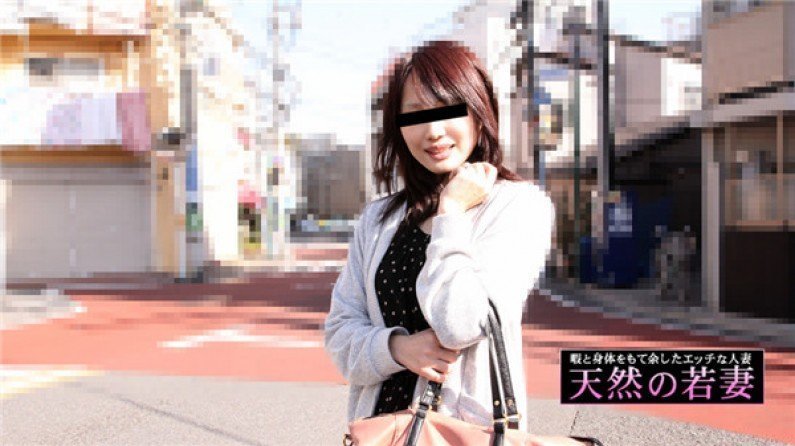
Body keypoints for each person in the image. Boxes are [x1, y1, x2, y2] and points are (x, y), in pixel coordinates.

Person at [325, 40, 594, 446]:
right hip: (380, 434)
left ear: (478, 112)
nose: (434, 131)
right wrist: (396, 348)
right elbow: (340, 332)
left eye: (449, 110)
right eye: (416, 115)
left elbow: (462, 323)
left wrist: (450, 214)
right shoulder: (378, 220)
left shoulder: (519, 207)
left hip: (466, 434)